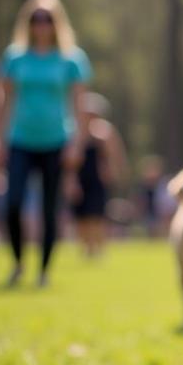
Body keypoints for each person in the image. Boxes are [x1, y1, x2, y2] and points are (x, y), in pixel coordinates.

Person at [0, 0, 91, 286]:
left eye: (47, 19)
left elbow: (80, 105)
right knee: (12, 203)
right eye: (36, 19)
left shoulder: (71, 58)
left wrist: (77, 144)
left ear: (56, 22)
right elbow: (4, 100)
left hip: (56, 141)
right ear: (28, 22)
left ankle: (44, 270)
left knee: (50, 209)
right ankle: (17, 261)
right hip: (20, 139)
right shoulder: (15, 56)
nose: (41, 24)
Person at [65, 92, 127, 256]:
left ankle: (98, 248)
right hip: (81, 178)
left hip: (98, 179)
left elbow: (114, 155)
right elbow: (69, 161)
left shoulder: (104, 131)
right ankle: (85, 248)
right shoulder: (74, 132)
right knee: (81, 215)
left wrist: (115, 173)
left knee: (97, 214)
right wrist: (70, 180)